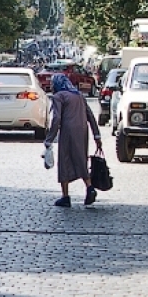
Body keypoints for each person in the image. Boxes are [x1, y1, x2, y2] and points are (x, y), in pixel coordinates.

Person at [44, 73, 103, 207]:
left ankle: (65, 196)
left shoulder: (59, 97)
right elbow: (90, 116)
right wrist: (97, 135)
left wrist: (49, 139)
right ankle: (89, 187)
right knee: (81, 158)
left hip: (68, 131)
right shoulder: (79, 95)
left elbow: (56, 118)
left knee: (64, 161)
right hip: (82, 130)